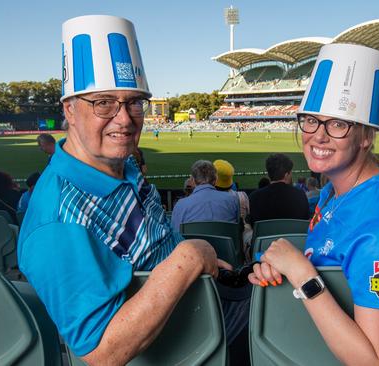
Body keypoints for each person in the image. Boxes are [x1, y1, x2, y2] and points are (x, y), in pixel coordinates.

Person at [18, 15, 226, 365]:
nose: (125, 118)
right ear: (69, 110)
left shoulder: (123, 165)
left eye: (133, 102)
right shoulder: (59, 220)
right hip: (182, 346)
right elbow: (101, 352)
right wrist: (190, 257)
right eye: (103, 103)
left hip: (197, 307)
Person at [248, 43, 379, 366]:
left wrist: (301, 273)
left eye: (338, 124)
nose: (318, 135)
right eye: (311, 120)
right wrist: (281, 267)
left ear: (366, 136)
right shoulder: (333, 190)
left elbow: (374, 360)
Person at [171, 160, 239, 231]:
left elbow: (176, 234)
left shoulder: (180, 204)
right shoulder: (232, 200)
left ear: (193, 181)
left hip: (194, 241)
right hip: (225, 241)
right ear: (215, 180)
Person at [247, 153, 309, 226]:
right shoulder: (300, 195)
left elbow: (252, 224)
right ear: (286, 175)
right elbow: (305, 222)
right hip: (293, 237)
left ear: (268, 174)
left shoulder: (254, 197)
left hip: (265, 236)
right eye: (290, 173)